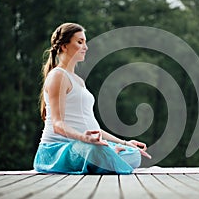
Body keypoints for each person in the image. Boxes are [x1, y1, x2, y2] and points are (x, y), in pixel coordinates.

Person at [33, 23, 150, 174]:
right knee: (98, 151)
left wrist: (125, 142)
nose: (85, 47)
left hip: (84, 145)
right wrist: (84, 139)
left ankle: (110, 155)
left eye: (85, 42)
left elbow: (93, 128)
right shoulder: (58, 76)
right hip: (57, 151)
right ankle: (109, 155)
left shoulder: (78, 81)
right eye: (80, 42)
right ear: (63, 46)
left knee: (133, 154)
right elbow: (57, 124)